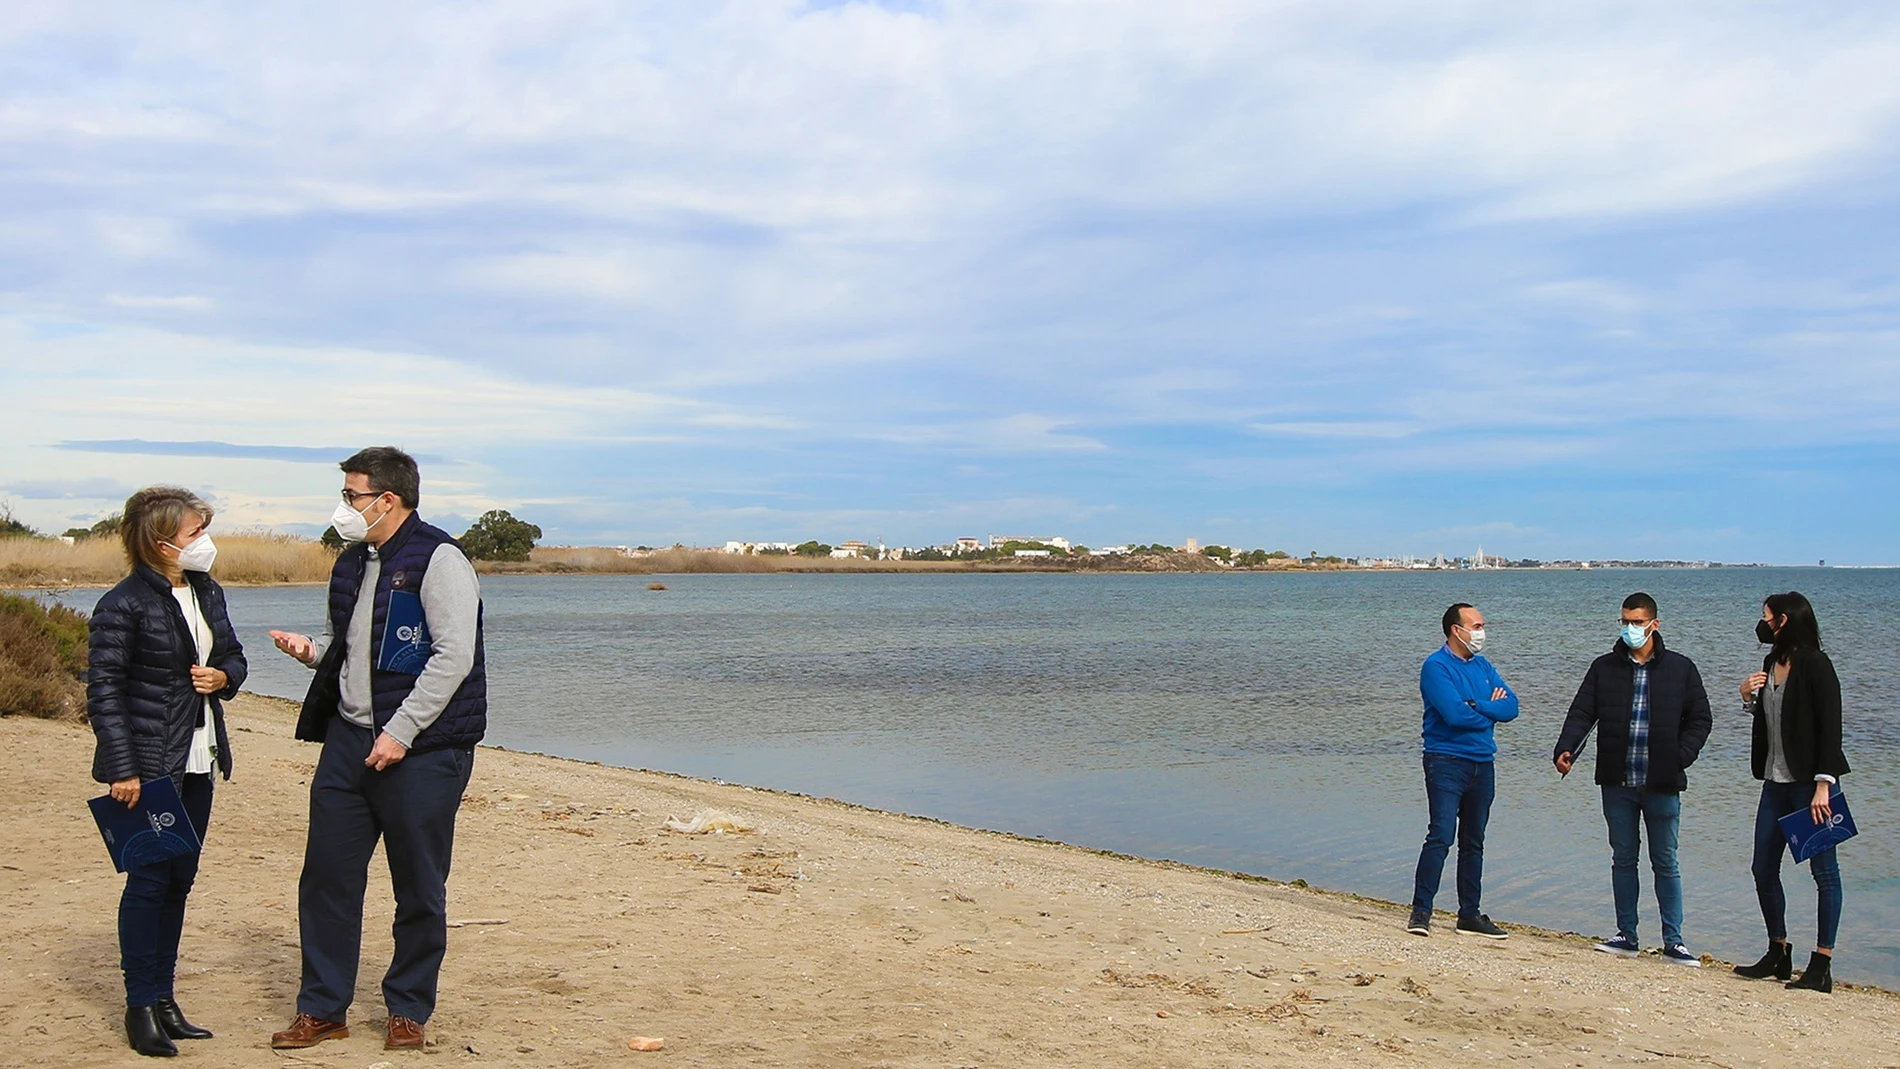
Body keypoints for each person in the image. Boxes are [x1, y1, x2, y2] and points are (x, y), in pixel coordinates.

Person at [266, 447, 487, 1051]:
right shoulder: (350, 562)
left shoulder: (440, 558)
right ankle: (323, 1009)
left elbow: (453, 658)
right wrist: (313, 652)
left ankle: (408, 1009)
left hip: (422, 752)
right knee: (327, 880)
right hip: (347, 742)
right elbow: (352, 643)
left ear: (387, 500)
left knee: (418, 885)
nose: (343, 507)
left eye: (351, 495)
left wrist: (401, 732)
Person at [88, 487, 247, 1056]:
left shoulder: (206, 591)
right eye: (193, 533)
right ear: (160, 543)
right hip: (150, 765)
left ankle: (164, 998)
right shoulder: (122, 603)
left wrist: (224, 677)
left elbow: (234, 655)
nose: (204, 542)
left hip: (200, 757)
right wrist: (123, 769)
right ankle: (140, 1006)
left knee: (180, 881)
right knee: (149, 882)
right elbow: (104, 691)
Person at [1552, 592, 1712, 966]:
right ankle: (1626, 934)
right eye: (1625, 621)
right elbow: (1581, 712)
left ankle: (1674, 941)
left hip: (1662, 783)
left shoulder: (1680, 668)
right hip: (1617, 780)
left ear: (1654, 624)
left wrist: (1681, 757)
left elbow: (1701, 720)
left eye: (1637, 622)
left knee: (1665, 861)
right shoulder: (1603, 667)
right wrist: (1566, 748)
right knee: (1623, 858)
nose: (1630, 629)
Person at [1732, 591, 1849, 993]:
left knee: (1824, 873)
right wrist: (1747, 697)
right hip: (1774, 781)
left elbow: (1830, 727)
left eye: (1765, 616)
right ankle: (1778, 951)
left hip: (1810, 786)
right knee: (1763, 867)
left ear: (1782, 620)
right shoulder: (1770, 663)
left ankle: (1822, 963)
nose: (1761, 623)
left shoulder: (1816, 664)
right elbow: (1773, 720)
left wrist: (1823, 785)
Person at [1408, 602, 1518, 939]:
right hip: (1446, 761)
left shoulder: (1483, 667)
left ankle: (1469, 914)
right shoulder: (1436, 667)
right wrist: (1488, 711)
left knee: (1474, 840)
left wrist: (1480, 705)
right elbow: (1454, 715)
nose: (1481, 632)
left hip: (1483, 763)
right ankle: (1421, 911)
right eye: (1476, 625)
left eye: (1482, 625)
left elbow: (1511, 706)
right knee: (1441, 835)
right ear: (1457, 630)